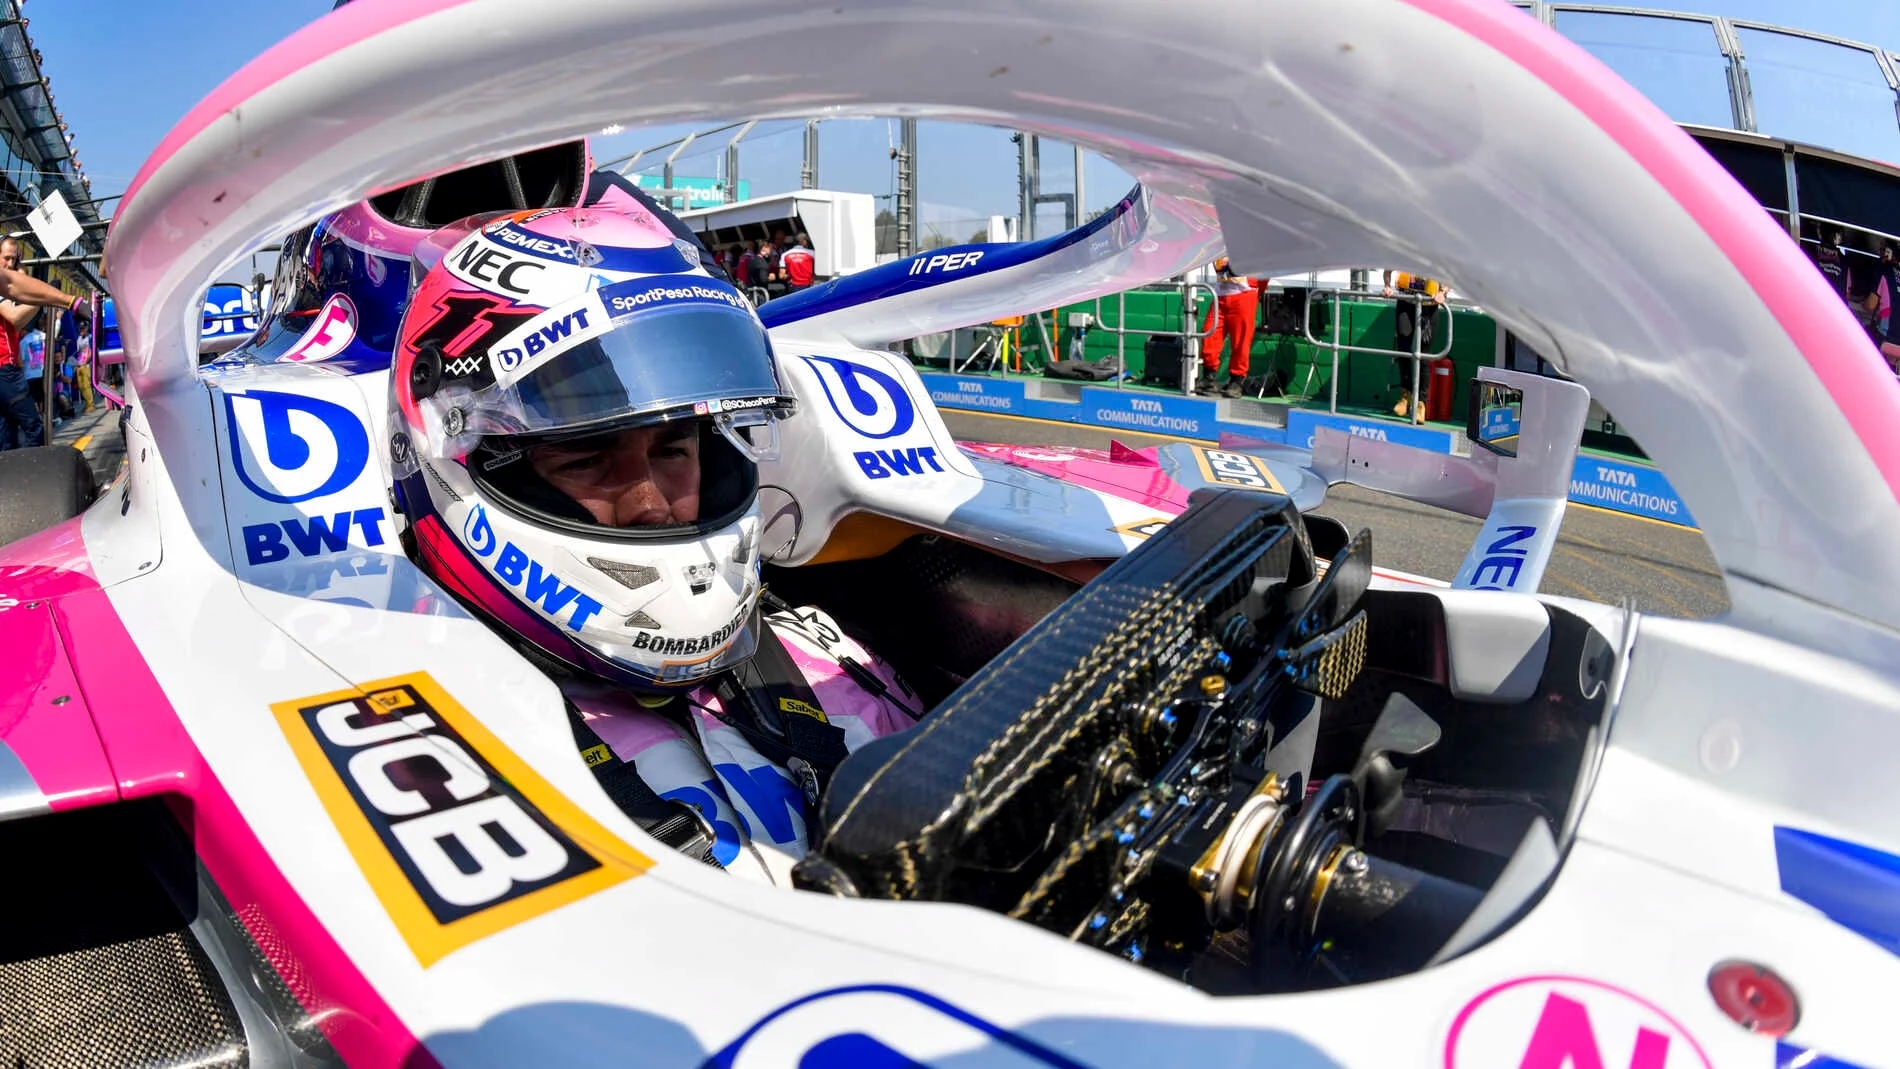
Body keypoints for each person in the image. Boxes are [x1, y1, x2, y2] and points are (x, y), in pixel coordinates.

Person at [387, 206, 918, 884]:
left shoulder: (838, 670)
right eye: (585, 458)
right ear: (470, 459)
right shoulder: (422, 753)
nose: (649, 502)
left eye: (675, 449)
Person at [0, 237, 92, 449]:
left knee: (7, 436)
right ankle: (32, 477)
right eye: (6, 258)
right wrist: (48, 298)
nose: (9, 264)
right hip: (4, 370)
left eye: (14, 260)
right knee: (35, 428)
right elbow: (15, 318)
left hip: (10, 368)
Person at [1194, 257, 1270, 397]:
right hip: (1221, 295)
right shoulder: (1219, 241)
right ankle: (1209, 377)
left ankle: (1237, 381)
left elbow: (1265, 271)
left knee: (1241, 340)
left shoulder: (1251, 244)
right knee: (1209, 332)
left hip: (1244, 295)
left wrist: (1254, 292)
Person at [1383, 269, 1449, 422]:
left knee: (1424, 356)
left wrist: (1443, 292)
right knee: (1404, 350)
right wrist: (1387, 286)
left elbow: (1450, 276)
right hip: (1406, 303)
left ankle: (1421, 404)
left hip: (1429, 306)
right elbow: (1387, 269)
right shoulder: (1403, 250)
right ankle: (1405, 396)